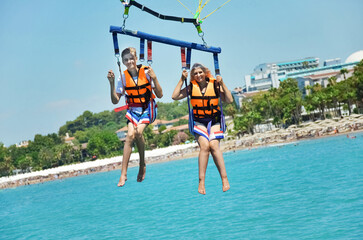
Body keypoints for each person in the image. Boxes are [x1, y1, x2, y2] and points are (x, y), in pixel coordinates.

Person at [171, 63, 234, 195]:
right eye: (195, 73)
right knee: (205, 146)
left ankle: (224, 179)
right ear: (193, 76)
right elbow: (175, 96)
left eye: (200, 72)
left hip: (214, 120)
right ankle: (201, 181)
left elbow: (229, 100)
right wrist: (182, 79)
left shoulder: (215, 86)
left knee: (214, 146)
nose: (198, 75)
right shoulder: (191, 88)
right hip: (199, 121)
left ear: (205, 73)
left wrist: (222, 84)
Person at [107, 47, 163, 187]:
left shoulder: (147, 72)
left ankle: (142, 163)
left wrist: (154, 78)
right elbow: (115, 100)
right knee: (129, 136)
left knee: (138, 132)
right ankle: (123, 173)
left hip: (147, 109)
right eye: (126, 60)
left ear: (136, 58)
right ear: (123, 62)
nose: (129, 61)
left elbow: (160, 95)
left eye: (131, 58)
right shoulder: (123, 77)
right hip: (133, 110)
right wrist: (112, 83)